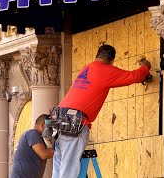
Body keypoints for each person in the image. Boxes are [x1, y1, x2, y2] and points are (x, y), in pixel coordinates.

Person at [51, 44, 152, 178]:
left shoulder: (86, 68)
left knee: (58, 167)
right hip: (74, 124)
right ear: (111, 60)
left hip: (57, 121)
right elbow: (133, 76)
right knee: (68, 171)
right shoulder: (107, 70)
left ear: (97, 56)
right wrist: (146, 67)